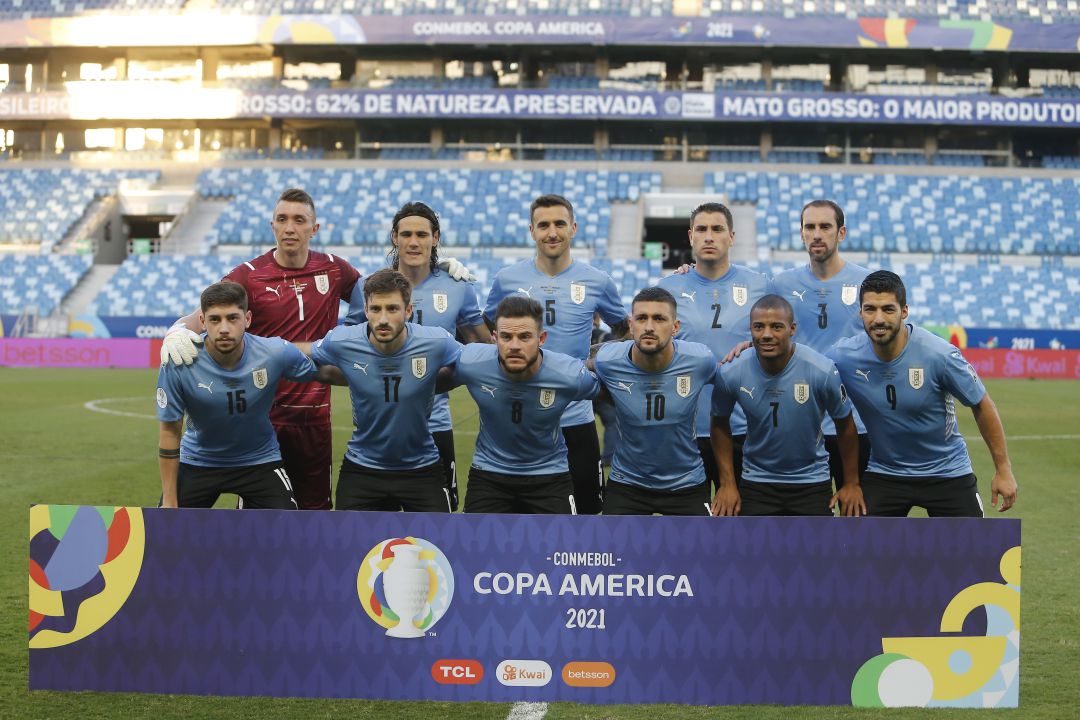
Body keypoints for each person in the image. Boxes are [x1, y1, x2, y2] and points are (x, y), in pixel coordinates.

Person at [159, 188, 473, 510]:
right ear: (273, 226)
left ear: (314, 228)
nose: (290, 228)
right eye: (282, 219)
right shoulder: (249, 275)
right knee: (257, 520)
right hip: (263, 418)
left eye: (299, 220)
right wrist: (178, 330)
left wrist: (434, 270)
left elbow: (384, 293)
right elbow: (212, 310)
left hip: (314, 417)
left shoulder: (334, 269)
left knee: (315, 515)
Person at [826, 270, 1018, 516]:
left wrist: (1003, 470)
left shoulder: (940, 355)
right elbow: (810, 379)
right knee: (862, 550)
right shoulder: (843, 357)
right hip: (886, 472)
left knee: (974, 552)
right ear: (860, 313)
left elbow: (981, 404)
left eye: (888, 309)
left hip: (947, 471)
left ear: (904, 311)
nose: (878, 318)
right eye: (870, 309)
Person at [483, 194, 629, 514]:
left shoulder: (596, 280)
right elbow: (486, 327)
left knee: (587, 515)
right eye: (544, 225)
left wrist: (598, 355)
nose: (552, 232)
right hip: (519, 418)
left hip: (575, 417)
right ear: (531, 230)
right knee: (513, 516)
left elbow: (623, 327)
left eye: (560, 224)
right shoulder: (507, 279)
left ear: (573, 228)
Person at [345, 201, 488, 511]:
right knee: (364, 536)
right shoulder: (368, 287)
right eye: (406, 233)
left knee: (437, 534)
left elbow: (483, 349)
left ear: (435, 238)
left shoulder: (457, 287)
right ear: (394, 237)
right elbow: (347, 346)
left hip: (433, 426)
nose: (413, 242)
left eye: (422, 234)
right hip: (374, 428)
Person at [156, 281, 338, 509]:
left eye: (232, 318)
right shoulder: (180, 360)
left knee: (286, 530)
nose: (224, 328)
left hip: (259, 460)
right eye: (215, 319)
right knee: (166, 532)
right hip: (198, 460)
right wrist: (170, 501)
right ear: (202, 321)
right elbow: (170, 431)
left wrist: (371, 372)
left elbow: (323, 372)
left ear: (248, 319)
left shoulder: (273, 352)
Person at [306, 269, 463, 512]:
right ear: (366, 310)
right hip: (362, 470)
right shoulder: (342, 341)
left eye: (392, 309)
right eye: (376, 309)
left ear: (408, 311)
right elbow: (296, 354)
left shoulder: (436, 342)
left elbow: (475, 363)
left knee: (436, 547)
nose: (382, 319)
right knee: (352, 548)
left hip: (422, 469)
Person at [440, 296, 601, 514]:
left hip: (550, 476)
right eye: (506, 337)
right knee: (475, 546)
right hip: (489, 473)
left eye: (525, 337)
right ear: (495, 338)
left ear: (541, 338)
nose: (514, 345)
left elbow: (610, 389)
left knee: (560, 545)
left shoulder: (568, 375)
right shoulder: (471, 363)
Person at [710, 295, 865, 517]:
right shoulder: (731, 372)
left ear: (792, 329)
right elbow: (718, 423)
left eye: (776, 327)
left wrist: (851, 483)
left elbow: (845, 425)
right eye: (758, 327)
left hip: (811, 480)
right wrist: (727, 484)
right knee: (752, 551)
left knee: (816, 551)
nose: (766, 334)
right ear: (750, 329)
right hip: (757, 480)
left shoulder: (821, 370)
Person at [658, 202, 771, 492]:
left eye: (717, 229)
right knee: (690, 530)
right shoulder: (668, 289)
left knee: (744, 528)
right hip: (685, 427)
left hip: (745, 426)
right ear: (691, 236)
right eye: (702, 229)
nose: (709, 236)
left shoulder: (760, 286)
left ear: (731, 236)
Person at [770, 200, 872, 494]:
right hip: (800, 423)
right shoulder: (780, 284)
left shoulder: (867, 282)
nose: (816, 234)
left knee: (858, 523)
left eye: (825, 227)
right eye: (809, 227)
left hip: (856, 423)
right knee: (805, 527)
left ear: (841, 233)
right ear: (801, 234)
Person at [593, 287, 718, 516]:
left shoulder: (700, 360)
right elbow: (571, 370)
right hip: (628, 483)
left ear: (675, 327)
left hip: (686, 483)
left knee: (701, 550)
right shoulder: (607, 360)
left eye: (659, 318)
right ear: (631, 325)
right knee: (614, 549)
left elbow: (735, 377)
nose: (649, 327)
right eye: (641, 318)